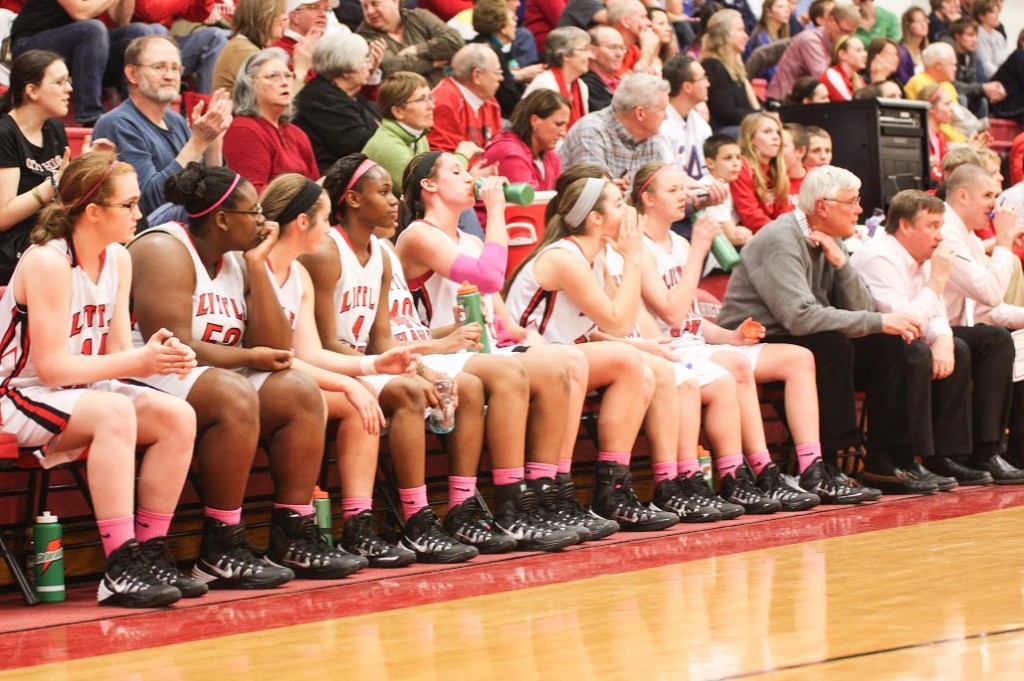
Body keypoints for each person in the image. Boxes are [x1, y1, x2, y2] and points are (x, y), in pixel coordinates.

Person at [314, 154, 603, 547]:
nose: (394, 201)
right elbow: (486, 277)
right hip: (389, 357)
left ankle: (539, 496)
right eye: (384, 193)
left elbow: (475, 315)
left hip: (423, 349)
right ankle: (499, 505)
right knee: (502, 376)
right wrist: (433, 349)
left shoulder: (388, 252)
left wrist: (502, 335)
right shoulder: (408, 237)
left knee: (556, 366)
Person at [129, 163, 367, 586]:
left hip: (212, 377)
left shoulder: (240, 260)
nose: (263, 221)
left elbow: (277, 349)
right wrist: (250, 355)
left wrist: (257, 266)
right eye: (253, 213)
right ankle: (221, 546)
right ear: (222, 219)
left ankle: (293, 533)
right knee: (233, 392)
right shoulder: (163, 248)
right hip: (148, 371)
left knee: (299, 390)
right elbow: (174, 344)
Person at [0, 150, 200, 606]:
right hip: (15, 393)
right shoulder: (47, 262)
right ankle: (119, 566)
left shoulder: (117, 259)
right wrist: (139, 364)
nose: (139, 212)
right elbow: (50, 369)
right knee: (113, 413)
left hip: (74, 393)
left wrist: (162, 357)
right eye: (128, 205)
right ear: (92, 211)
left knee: (176, 415)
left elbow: (115, 356)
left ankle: (149, 552)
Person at [623, 162, 834, 508]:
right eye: (673, 190)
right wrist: (698, 252)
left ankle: (811, 465)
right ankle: (750, 472)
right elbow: (672, 314)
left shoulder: (677, 240)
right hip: (668, 349)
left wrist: (728, 335)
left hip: (695, 342)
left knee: (799, 357)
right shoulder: (640, 248)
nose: (684, 197)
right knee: (734, 367)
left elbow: (690, 317)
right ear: (646, 198)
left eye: (684, 189)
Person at [718, 165, 938, 496]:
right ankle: (828, 467)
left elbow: (860, 308)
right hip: (755, 337)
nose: (860, 210)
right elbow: (800, 318)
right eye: (852, 202)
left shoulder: (830, 238)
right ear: (823, 206)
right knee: (834, 346)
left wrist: (842, 264)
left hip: (801, 334)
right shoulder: (780, 239)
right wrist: (878, 321)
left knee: (889, 346)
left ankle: (884, 461)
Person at [502, 174, 683, 529]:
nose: (628, 210)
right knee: (627, 361)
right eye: (618, 203)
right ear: (595, 219)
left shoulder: (594, 255)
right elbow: (618, 321)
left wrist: (636, 342)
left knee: (653, 369)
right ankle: (557, 489)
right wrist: (633, 259)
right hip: (522, 357)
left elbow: (595, 330)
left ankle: (618, 488)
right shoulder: (564, 257)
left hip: (563, 355)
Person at [258, 172, 419, 566]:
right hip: (252, 378)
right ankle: (294, 527)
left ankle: (359, 524)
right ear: (302, 223)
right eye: (326, 219)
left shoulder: (297, 273)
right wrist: (347, 383)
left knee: (356, 400)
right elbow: (278, 356)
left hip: (285, 374)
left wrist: (371, 364)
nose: (329, 229)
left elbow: (309, 352)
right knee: (322, 395)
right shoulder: (254, 269)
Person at [851, 188, 1009, 486]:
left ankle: (953, 455)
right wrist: (937, 281)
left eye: (941, 226)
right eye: (932, 227)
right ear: (905, 226)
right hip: (866, 348)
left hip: (901, 338)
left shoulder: (920, 253)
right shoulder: (878, 256)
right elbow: (904, 321)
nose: (940, 236)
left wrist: (944, 339)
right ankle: (901, 458)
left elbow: (933, 313)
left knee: (984, 341)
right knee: (914, 351)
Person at [936, 164, 1024, 478]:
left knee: (1018, 341)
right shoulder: (944, 231)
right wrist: (1003, 241)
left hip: (959, 329)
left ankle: (1015, 451)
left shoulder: (967, 234)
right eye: (988, 195)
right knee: (996, 339)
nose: (994, 204)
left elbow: (989, 309)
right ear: (962, 195)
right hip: (932, 327)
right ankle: (986, 450)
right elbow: (989, 293)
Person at [93, 35, 233, 222]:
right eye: (159, 67)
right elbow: (148, 204)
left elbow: (210, 192)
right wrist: (197, 143)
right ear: (132, 74)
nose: (169, 75)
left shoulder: (175, 120)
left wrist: (214, 141)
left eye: (175, 68)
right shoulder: (117, 123)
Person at [9, 0, 160, 126]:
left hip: (78, 45)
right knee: (93, 28)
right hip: (30, 43)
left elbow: (122, 20)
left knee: (140, 32)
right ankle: (91, 116)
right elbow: (80, 13)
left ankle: (136, 114)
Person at [0, 51, 71, 285]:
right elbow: (3, 216)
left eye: (68, 80)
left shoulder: (54, 128)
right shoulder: (5, 134)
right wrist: (53, 185)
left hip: (48, 230)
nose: (69, 88)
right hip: (13, 243)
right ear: (32, 90)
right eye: (59, 82)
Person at [222, 49, 319, 193]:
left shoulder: (297, 133)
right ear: (250, 85)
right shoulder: (243, 130)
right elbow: (248, 196)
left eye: (288, 76)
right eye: (273, 76)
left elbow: (315, 185)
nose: (285, 83)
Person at [293, 29, 384, 176]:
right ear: (346, 70)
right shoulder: (319, 98)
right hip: (335, 182)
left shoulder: (349, 94)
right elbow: (364, 145)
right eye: (365, 60)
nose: (369, 65)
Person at [559, 73, 669, 189]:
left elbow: (661, 189)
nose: (666, 116)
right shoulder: (591, 132)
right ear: (640, 113)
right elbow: (594, 196)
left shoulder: (652, 136)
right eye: (662, 109)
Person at [766, 0, 859, 103]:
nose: (847, 37)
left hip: (807, 103)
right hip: (783, 103)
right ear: (831, 20)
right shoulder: (810, 40)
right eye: (844, 31)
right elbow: (826, 81)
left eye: (851, 33)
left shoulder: (835, 42)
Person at [213, 0, 314, 94]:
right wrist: (301, 69)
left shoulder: (246, 46)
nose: (285, 18)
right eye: (279, 12)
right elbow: (282, 104)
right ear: (261, 16)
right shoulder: (244, 50)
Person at [356, 0, 465, 87]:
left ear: (395, 1)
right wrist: (433, 63)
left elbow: (455, 42)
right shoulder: (364, 37)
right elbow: (390, 67)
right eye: (364, 7)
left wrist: (417, 49)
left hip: (443, 93)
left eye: (375, 4)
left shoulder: (420, 16)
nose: (369, 11)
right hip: (403, 105)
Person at [131, 0, 230, 94]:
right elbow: (150, 10)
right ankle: (157, 109)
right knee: (158, 31)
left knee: (215, 38)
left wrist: (206, 4)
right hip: (133, 46)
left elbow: (200, 14)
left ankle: (206, 108)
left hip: (167, 44)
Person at [360, 72, 432, 195]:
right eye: (421, 99)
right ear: (398, 111)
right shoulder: (387, 146)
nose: (431, 105)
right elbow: (424, 190)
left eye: (430, 98)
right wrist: (462, 156)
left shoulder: (419, 135)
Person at [481, 89, 568, 190]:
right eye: (558, 124)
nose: (563, 133)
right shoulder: (509, 152)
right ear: (534, 120)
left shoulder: (552, 157)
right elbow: (527, 204)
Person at [426, 44, 504, 153]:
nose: (501, 78)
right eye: (497, 72)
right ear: (477, 75)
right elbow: (444, 160)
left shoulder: (490, 101)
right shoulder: (444, 102)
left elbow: (497, 148)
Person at [731, 112, 792, 233]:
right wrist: (783, 233)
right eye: (767, 131)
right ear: (750, 138)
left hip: (774, 233)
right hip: (749, 237)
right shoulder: (741, 166)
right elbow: (751, 216)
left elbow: (785, 212)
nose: (776, 137)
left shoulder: (779, 169)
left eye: (778, 132)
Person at [701, 9, 760, 136]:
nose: (746, 36)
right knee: (763, 135)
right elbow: (726, 113)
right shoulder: (713, 65)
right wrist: (759, 117)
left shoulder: (734, 64)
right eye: (740, 30)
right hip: (723, 132)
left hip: (739, 126)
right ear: (723, 34)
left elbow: (752, 106)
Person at [523, 26, 592, 130]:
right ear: (566, 55)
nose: (590, 56)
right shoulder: (546, 83)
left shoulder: (581, 86)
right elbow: (537, 129)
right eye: (584, 49)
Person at [703, 134, 753, 248]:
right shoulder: (711, 188)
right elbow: (733, 237)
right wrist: (752, 235)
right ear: (710, 163)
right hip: (717, 261)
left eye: (738, 157)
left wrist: (742, 230)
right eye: (728, 158)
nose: (736, 163)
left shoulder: (731, 184)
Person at [272, 0, 332, 78]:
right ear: (294, 16)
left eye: (326, 9)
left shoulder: (323, 49)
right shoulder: (281, 51)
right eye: (314, 8)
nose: (323, 14)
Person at [581, 26, 627, 114]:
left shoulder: (622, 82)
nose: (619, 54)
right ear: (592, 51)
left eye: (622, 48)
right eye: (613, 48)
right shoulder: (586, 84)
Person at [743, 0, 792, 82]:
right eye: (781, 7)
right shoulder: (760, 37)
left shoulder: (780, 36)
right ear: (768, 12)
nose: (787, 11)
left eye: (788, 7)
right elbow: (768, 72)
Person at [819, 35, 866, 101]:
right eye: (858, 50)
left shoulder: (857, 79)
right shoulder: (832, 75)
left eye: (864, 50)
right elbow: (850, 106)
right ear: (842, 54)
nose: (865, 54)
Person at [972, 0, 1006, 81]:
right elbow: (985, 64)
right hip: (990, 79)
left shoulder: (999, 36)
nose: (997, 15)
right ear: (982, 16)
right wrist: (1003, 77)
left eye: (997, 12)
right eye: (993, 13)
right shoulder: (978, 35)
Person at [897, 6, 930, 84]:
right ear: (907, 25)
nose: (923, 24)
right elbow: (905, 81)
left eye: (925, 20)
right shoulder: (902, 52)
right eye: (918, 21)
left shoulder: (927, 50)